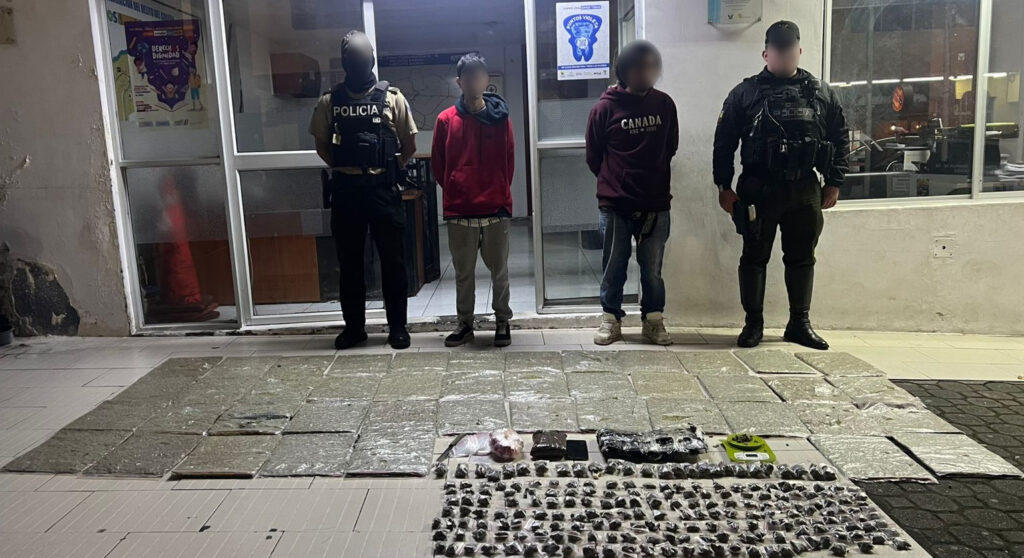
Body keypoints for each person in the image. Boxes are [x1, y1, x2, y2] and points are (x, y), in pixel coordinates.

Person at [713, 20, 849, 350]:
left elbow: (840, 137)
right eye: (778, 50)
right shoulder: (744, 93)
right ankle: (753, 324)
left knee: (802, 258)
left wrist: (835, 181)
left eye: (790, 50)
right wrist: (723, 186)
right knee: (754, 257)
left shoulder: (821, 93)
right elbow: (724, 142)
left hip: (804, 188)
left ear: (799, 51)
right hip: (759, 187)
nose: (784, 55)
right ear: (766, 54)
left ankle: (799, 324)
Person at [309, 30, 418, 350]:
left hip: (383, 190)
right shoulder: (329, 101)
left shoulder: (393, 98)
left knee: (393, 262)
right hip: (347, 192)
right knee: (350, 264)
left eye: (363, 56)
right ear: (345, 61)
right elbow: (322, 146)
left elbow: (409, 144)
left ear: (372, 58)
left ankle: (397, 327)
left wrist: (386, 168)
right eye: (353, 57)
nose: (359, 62)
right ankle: (354, 329)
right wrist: (348, 168)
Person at [585, 40, 678, 346]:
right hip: (616, 204)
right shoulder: (604, 108)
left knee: (653, 270)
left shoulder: (664, 104)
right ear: (624, 71)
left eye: (651, 66)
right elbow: (594, 157)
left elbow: (671, 147)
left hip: (656, 203)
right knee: (614, 267)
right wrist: (617, 183)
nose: (646, 72)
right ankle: (611, 320)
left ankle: (653, 321)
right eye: (639, 67)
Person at [431, 53, 515, 347]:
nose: (474, 82)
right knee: (463, 274)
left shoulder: (500, 118)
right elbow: (439, 165)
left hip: (495, 208)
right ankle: (465, 324)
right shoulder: (446, 120)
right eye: (468, 77)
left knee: (499, 272)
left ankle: (502, 321)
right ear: (459, 82)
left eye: (479, 76)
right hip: (460, 210)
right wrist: (456, 189)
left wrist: (500, 190)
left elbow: (509, 160)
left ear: (486, 80)